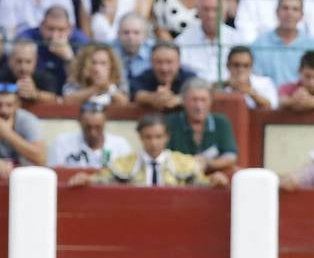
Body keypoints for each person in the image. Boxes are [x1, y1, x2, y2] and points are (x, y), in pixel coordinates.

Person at [69, 112, 221, 187]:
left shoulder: (183, 162)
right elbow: (103, 179)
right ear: (140, 137)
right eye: (148, 137)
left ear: (166, 137)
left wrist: (214, 181)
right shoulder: (125, 163)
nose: (153, 143)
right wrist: (87, 179)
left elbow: (201, 184)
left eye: (158, 137)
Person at [166, 77, 238, 175]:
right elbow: (164, 156)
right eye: (194, 100)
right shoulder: (170, 122)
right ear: (183, 101)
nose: (199, 106)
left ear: (210, 101)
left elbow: (230, 155)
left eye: (203, 100)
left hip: (214, 174)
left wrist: (208, 163)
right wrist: (191, 164)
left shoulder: (221, 122)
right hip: (179, 175)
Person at [175, 0, 239, 80]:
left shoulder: (238, 39)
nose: (210, 15)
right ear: (198, 12)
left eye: (216, 10)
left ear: (225, 13)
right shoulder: (182, 41)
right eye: (206, 9)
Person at [47, 100, 132, 168]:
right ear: (79, 122)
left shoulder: (120, 145)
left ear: (105, 123)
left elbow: (128, 179)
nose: (93, 133)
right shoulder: (62, 143)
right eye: (88, 127)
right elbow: (56, 176)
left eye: (98, 127)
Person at [62, 41, 129, 107]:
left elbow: (125, 103)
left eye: (103, 63)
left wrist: (109, 88)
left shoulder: (118, 79)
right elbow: (67, 100)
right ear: (84, 64)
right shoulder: (75, 78)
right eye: (93, 63)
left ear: (111, 65)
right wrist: (95, 89)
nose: (97, 69)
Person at [0, 81, 45, 175]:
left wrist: (7, 134)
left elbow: (41, 158)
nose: (3, 110)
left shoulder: (28, 120)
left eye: (9, 105)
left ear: (17, 105)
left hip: (25, 176)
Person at [0, 38, 58, 103]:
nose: (23, 67)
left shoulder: (46, 77)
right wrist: (14, 88)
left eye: (28, 62)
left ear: (36, 61)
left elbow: (54, 98)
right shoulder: (2, 75)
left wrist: (35, 94)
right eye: (19, 61)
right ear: (9, 61)